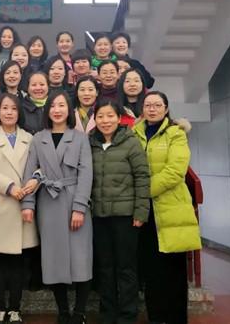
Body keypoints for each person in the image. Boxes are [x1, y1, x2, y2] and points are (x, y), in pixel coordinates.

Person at [21, 91, 93, 324]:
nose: (57, 110)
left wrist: (79, 207)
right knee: (53, 259)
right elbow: (29, 173)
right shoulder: (38, 138)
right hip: (48, 202)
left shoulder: (80, 138)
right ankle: (62, 312)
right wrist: (28, 204)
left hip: (74, 200)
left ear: (69, 110)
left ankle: (79, 313)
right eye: (53, 106)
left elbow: (86, 174)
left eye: (62, 105)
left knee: (81, 258)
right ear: (47, 110)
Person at [132, 91, 201, 324]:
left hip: (171, 208)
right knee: (151, 267)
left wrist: (143, 190)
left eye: (157, 105)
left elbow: (175, 172)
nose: (152, 109)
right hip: (145, 211)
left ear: (166, 109)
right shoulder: (134, 133)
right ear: (142, 109)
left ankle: (176, 318)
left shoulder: (176, 134)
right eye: (148, 105)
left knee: (173, 267)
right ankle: (156, 317)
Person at [0, 93, 39, 324]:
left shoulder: (30, 139)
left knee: (17, 262)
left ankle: (14, 308)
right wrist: (10, 186)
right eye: (4, 108)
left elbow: (40, 165)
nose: (9, 112)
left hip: (23, 205)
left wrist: (36, 179)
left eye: (13, 108)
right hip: (0, 204)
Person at [90, 100, 150, 324]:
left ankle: (127, 316)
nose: (105, 121)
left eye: (110, 116)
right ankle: (107, 315)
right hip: (99, 216)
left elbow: (142, 177)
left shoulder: (130, 142)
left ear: (118, 118)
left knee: (126, 267)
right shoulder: (90, 143)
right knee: (105, 268)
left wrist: (140, 212)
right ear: (95, 119)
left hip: (125, 217)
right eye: (100, 116)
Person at [20, 71, 49, 135]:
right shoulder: (21, 110)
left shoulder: (54, 107)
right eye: (34, 85)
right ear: (28, 88)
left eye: (42, 84)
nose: (38, 88)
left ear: (48, 87)